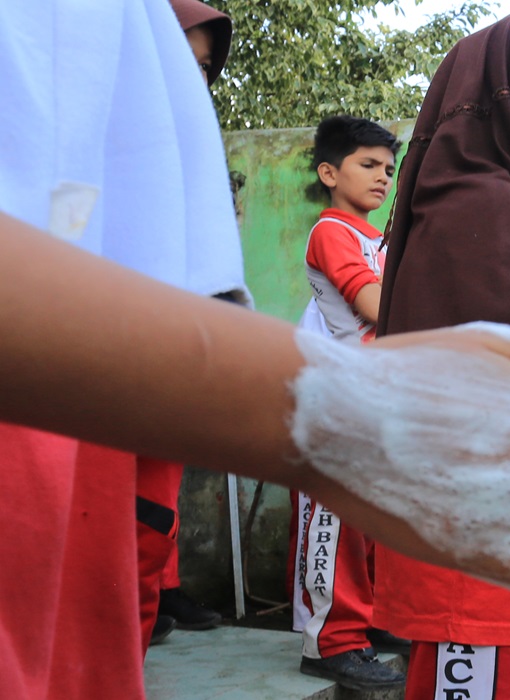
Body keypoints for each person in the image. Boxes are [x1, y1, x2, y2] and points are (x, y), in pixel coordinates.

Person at [0, 2, 510, 697]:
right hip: (474, 538)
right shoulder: (481, 215)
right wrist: (340, 419)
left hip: (488, 520)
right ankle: (332, 640)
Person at [287, 114, 406, 690]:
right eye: (368, 165)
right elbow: (376, 307)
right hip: (339, 396)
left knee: (372, 523)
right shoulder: (333, 230)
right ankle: (330, 642)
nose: (383, 177)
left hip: (374, 394)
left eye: (389, 168)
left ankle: (367, 624)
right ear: (329, 172)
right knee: (336, 522)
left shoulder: (378, 239)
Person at [134, 0, 236, 652]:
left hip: (164, 357)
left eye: (203, 69)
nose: (192, 83)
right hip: (108, 364)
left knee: (155, 500)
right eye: (179, 60)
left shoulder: (186, 154)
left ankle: (157, 595)